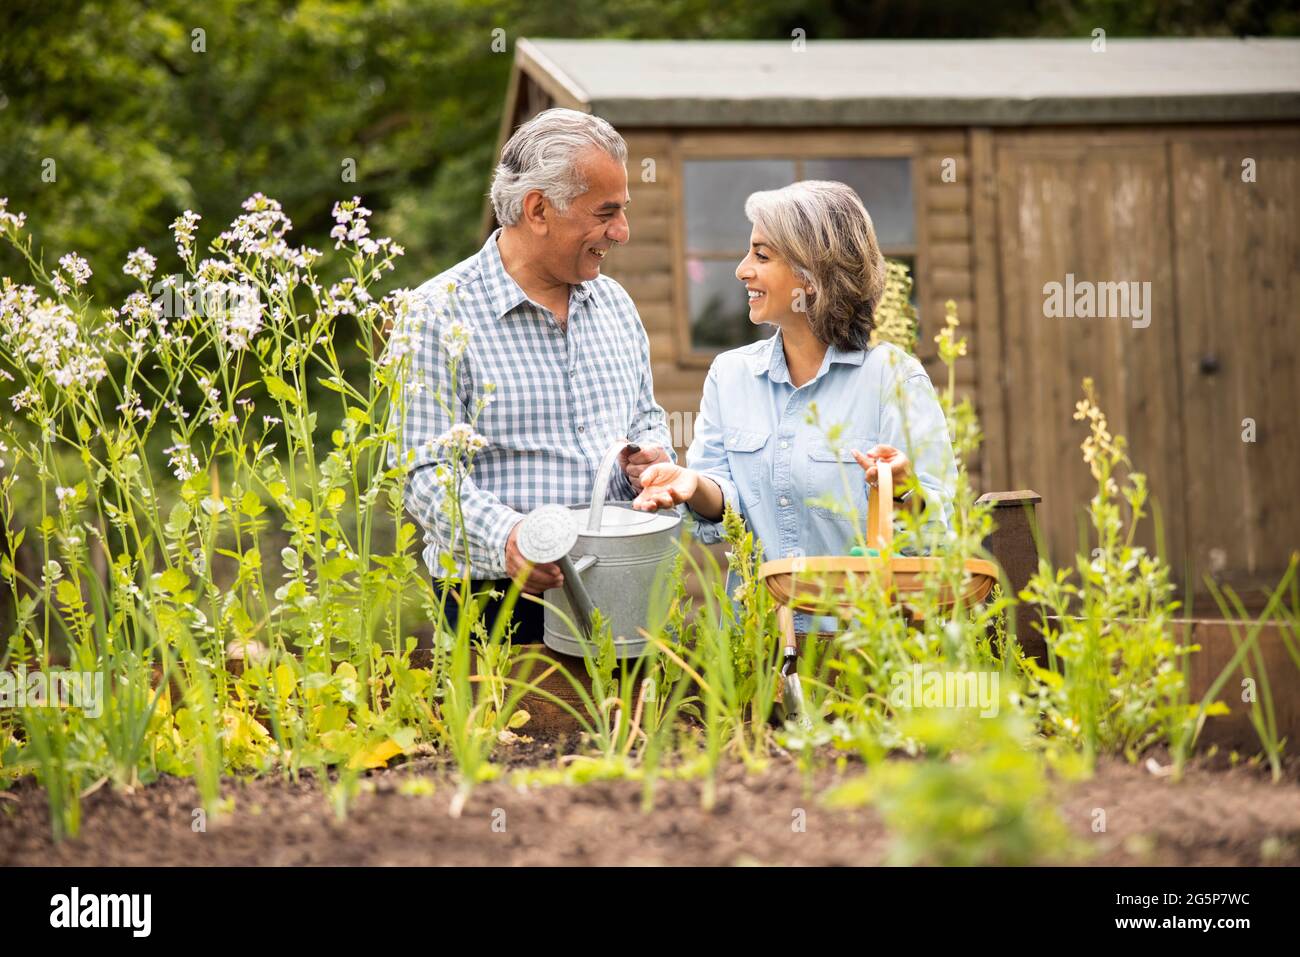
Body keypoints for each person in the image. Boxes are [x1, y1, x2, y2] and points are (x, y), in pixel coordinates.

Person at [392, 108, 673, 642]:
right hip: (498, 600)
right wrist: (511, 540)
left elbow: (646, 420)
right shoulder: (436, 313)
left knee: (634, 728)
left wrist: (651, 460)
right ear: (538, 209)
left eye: (624, 211)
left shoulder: (615, 304)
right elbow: (423, 472)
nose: (623, 231)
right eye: (605, 213)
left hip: (620, 581)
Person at [632, 180, 956, 603]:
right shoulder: (730, 376)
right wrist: (692, 484)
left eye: (761, 255)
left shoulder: (894, 379)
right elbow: (725, 504)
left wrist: (904, 491)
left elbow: (938, 533)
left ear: (813, 271)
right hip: (761, 646)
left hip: (860, 647)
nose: (742, 269)